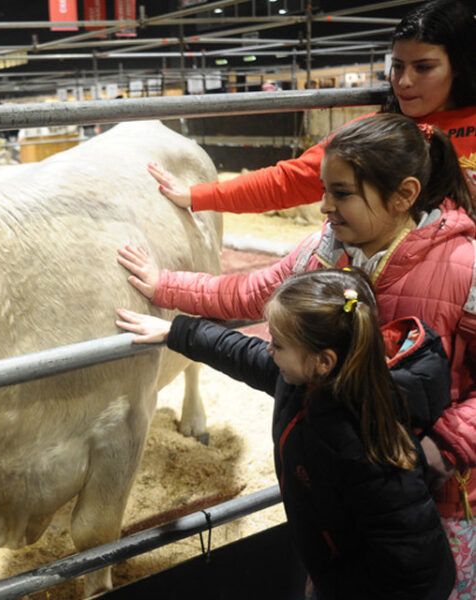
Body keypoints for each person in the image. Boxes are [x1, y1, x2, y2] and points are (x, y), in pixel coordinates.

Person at [118, 112, 476, 596]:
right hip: (333, 496)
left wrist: (444, 447)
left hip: (438, 497)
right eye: (325, 190)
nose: (324, 206)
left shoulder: (464, 268)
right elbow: (251, 292)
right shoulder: (325, 250)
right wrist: (164, 285)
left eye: (342, 193)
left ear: (404, 195)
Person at [114, 268, 455, 600]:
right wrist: (178, 332)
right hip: (336, 568)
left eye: (277, 345)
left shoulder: (362, 443)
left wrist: (334, 586)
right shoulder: (307, 381)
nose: (268, 350)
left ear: (323, 361)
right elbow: (243, 354)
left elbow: (408, 556)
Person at [149, 0, 476, 212]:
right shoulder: (376, 134)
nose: (403, 81)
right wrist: (197, 196)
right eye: (398, 66)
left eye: (423, 68)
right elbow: (288, 181)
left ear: (459, 67)